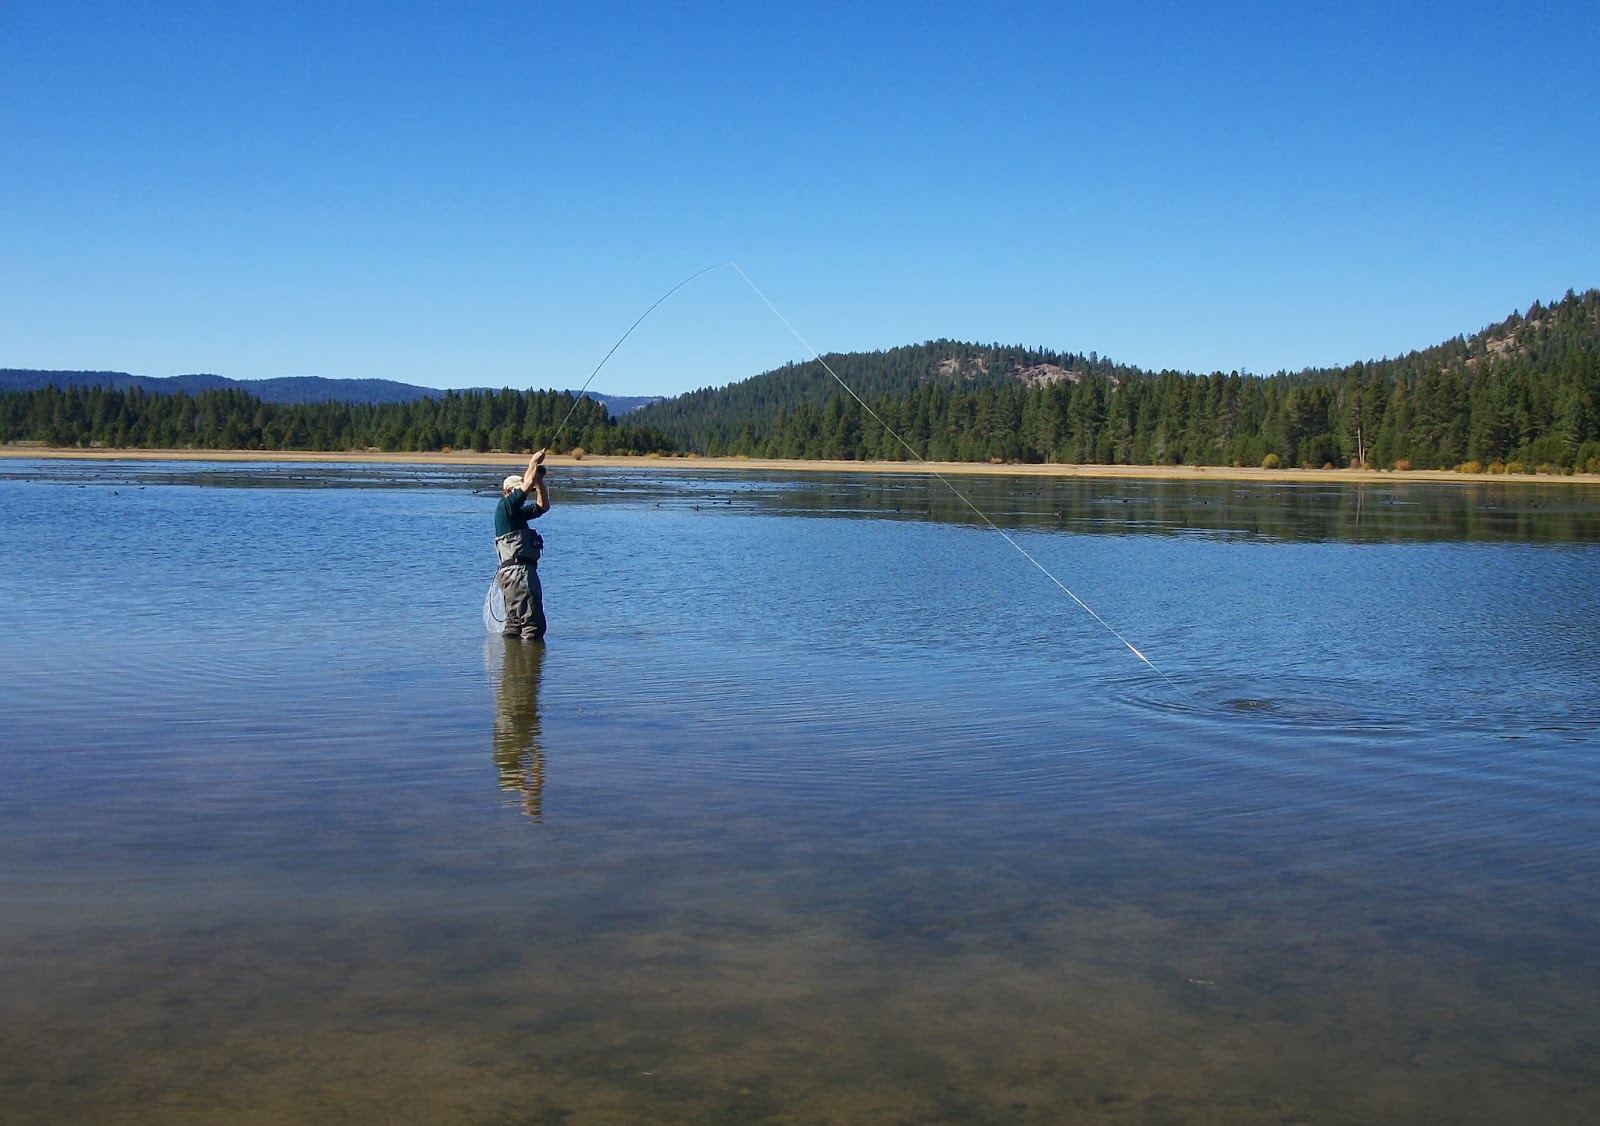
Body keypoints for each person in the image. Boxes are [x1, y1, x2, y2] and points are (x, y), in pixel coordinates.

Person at [494, 448, 549, 641]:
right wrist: (533, 462)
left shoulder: (516, 514)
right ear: (507, 491)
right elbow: (526, 484)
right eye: (517, 490)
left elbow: (543, 506)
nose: (524, 493)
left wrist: (539, 481)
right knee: (533, 626)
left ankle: (510, 667)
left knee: (514, 625)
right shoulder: (506, 506)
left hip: (511, 575)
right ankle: (528, 669)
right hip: (519, 575)